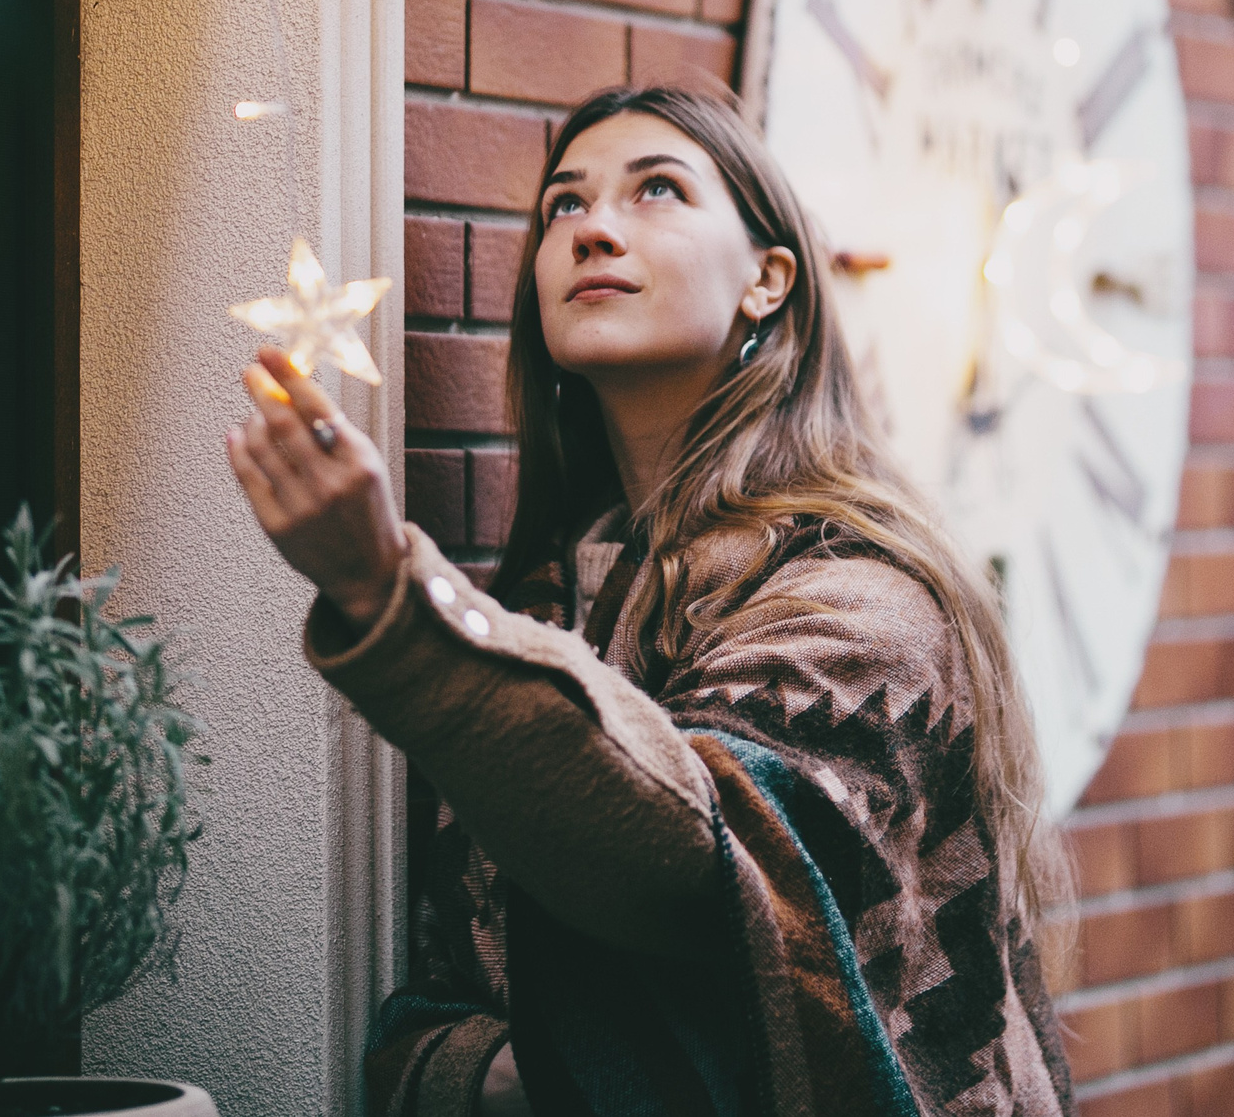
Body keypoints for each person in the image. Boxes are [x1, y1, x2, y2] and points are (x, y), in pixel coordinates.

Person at [227, 83, 1073, 1116]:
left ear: (767, 279)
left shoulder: (863, 599)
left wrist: (390, 593)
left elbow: (692, 862)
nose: (592, 231)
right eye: (563, 207)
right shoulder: (542, 611)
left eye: (656, 189)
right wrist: (481, 1075)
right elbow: (444, 990)